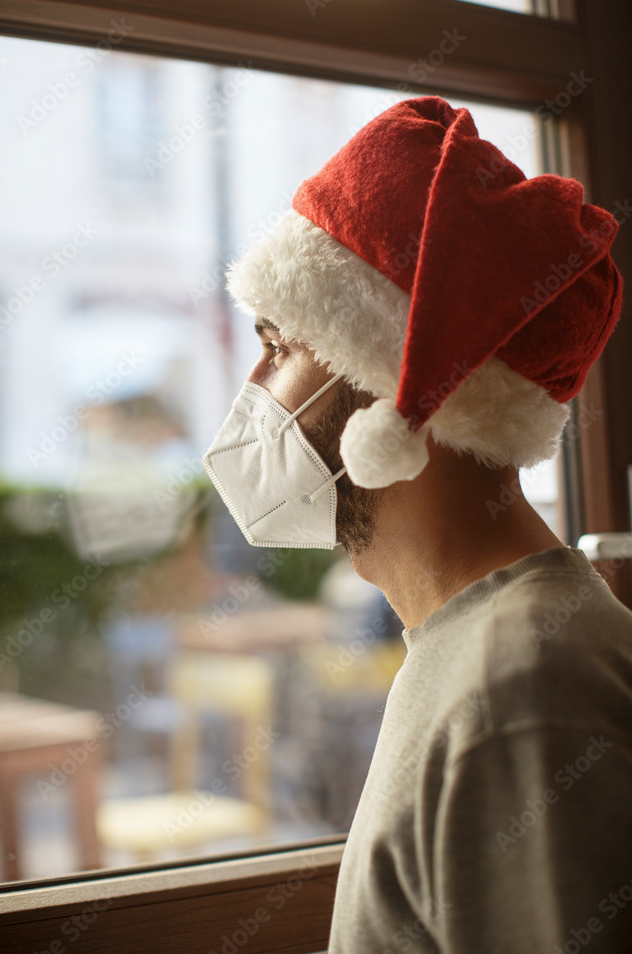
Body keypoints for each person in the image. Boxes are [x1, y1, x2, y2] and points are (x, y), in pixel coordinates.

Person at [202, 96, 632, 952]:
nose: (253, 382)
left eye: (279, 346)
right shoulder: (472, 643)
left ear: (393, 382)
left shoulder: (523, 686)